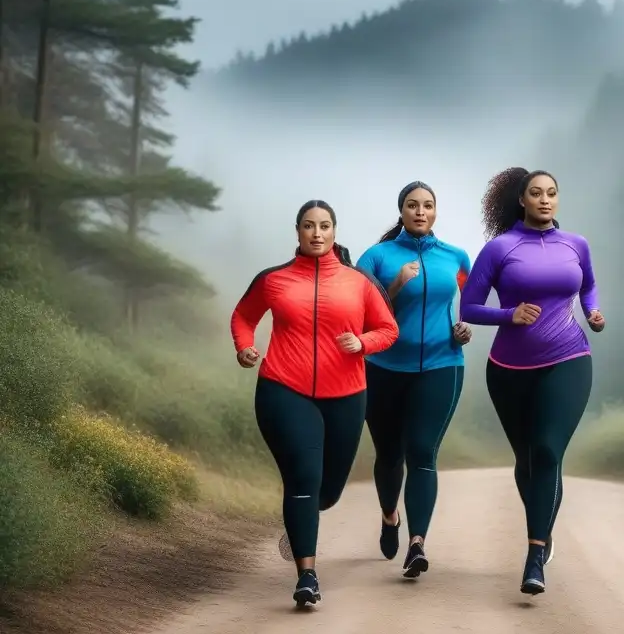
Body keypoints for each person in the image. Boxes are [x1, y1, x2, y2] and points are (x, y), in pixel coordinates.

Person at [230, 199, 399, 607]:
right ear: (298, 232)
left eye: (324, 226)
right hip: (284, 389)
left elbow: (387, 330)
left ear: (335, 231)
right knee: (303, 477)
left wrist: (361, 342)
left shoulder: (359, 282)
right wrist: (245, 348)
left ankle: (303, 519)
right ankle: (307, 575)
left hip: (346, 395)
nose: (317, 233)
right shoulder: (274, 280)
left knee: (328, 492)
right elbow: (243, 316)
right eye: (309, 226)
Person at [459, 167, 604, 596]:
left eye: (552, 193)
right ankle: (543, 526)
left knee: (546, 451)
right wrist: (509, 314)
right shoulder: (500, 248)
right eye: (536, 193)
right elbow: (469, 307)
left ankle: (534, 554)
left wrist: (593, 313)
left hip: (569, 357)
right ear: (521, 200)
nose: (545, 200)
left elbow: (589, 288)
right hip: (508, 369)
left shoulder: (576, 244)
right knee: (525, 461)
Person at [356, 181, 473, 578]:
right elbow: (358, 315)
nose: (420, 211)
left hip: (442, 365)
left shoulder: (455, 258)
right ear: (401, 211)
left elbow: (468, 305)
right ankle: (390, 518)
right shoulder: (376, 257)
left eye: (427, 205)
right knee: (389, 456)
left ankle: (417, 544)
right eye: (412, 205)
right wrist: (396, 286)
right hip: (383, 368)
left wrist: (464, 328)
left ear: (435, 212)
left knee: (422, 452)